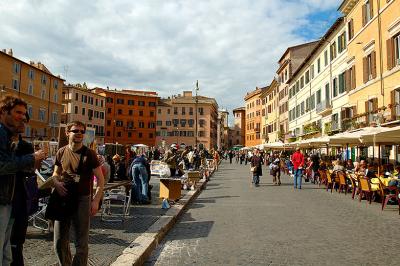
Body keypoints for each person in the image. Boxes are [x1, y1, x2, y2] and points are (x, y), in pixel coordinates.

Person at [0, 96, 46, 266]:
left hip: (12, 199)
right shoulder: (1, 133)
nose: (22, 118)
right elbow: (3, 165)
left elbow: (28, 171)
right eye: (18, 113)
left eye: (24, 115)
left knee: (9, 251)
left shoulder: (16, 140)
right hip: (4, 198)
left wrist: (34, 161)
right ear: (4, 112)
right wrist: (32, 158)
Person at [51, 121, 104, 265]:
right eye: (76, 131)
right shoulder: (61, 151)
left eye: (82, 131)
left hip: (83, 199)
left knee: (81, 243)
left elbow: (100, 179)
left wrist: (95, 201)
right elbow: (55, 173)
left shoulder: (90, 154)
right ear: (67, 133)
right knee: (59, 242)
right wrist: (56, 182)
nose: (79, 134)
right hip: (63, 198)